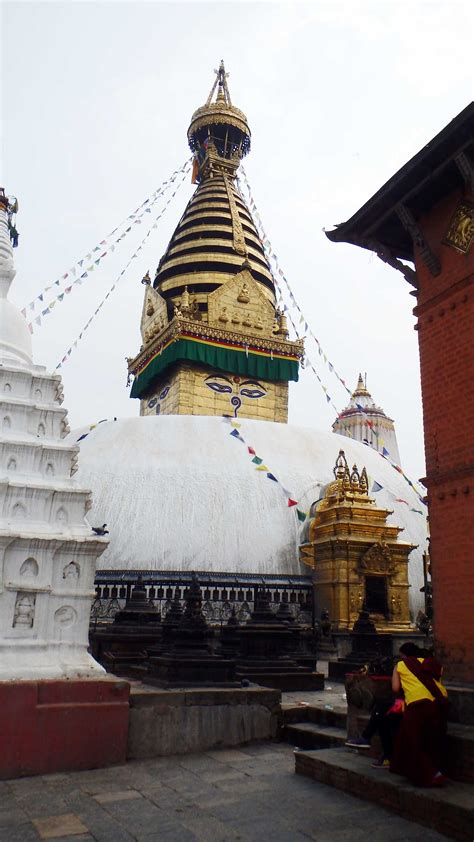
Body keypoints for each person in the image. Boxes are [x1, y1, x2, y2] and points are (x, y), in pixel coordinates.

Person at [390, 642, 448, 787]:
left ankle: (432, 774)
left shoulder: (401, 665)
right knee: (431, 739)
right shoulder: (431, 663)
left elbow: (395, 688)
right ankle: (434, 770)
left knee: (412, 740)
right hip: (438, 704)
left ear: (403, 655)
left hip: (417, 704)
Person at [345, 698, 403, 768]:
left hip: (409, 703)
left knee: (381, 708)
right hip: (404, 702)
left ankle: (366, 737)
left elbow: (395, 688)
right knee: (381, 714)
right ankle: (387, 756)